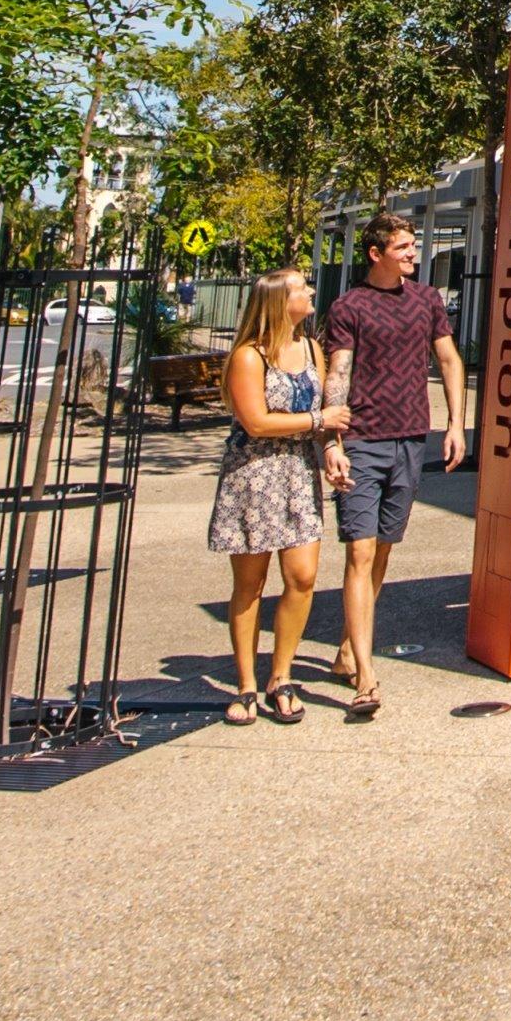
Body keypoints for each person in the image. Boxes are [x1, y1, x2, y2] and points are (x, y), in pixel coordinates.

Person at [319, 210, 467, 718]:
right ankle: (366, 675)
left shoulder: (426, 300)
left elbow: (448, 359)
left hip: (409, 438)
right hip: (363, 440)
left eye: (411, 246)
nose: (411, 253)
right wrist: (332, 441)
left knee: (382, 550)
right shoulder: (349, 307)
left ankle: (345, 650)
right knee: (359, 554)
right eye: (402, 246)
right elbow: (339, 373)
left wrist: (454, 424)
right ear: (376, 253)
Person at [206, 264, 350, 725]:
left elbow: (326, 408)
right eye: (302, 288)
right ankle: (247, 684)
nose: (311, 292)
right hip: (255, 474)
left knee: (303, 577)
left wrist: (332, 449)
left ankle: (281, 676)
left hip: (299, 474)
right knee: (250, 585)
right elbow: (257, 422)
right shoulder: (249, 356)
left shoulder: (311, 347)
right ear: (278, 301)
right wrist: (317, 425)